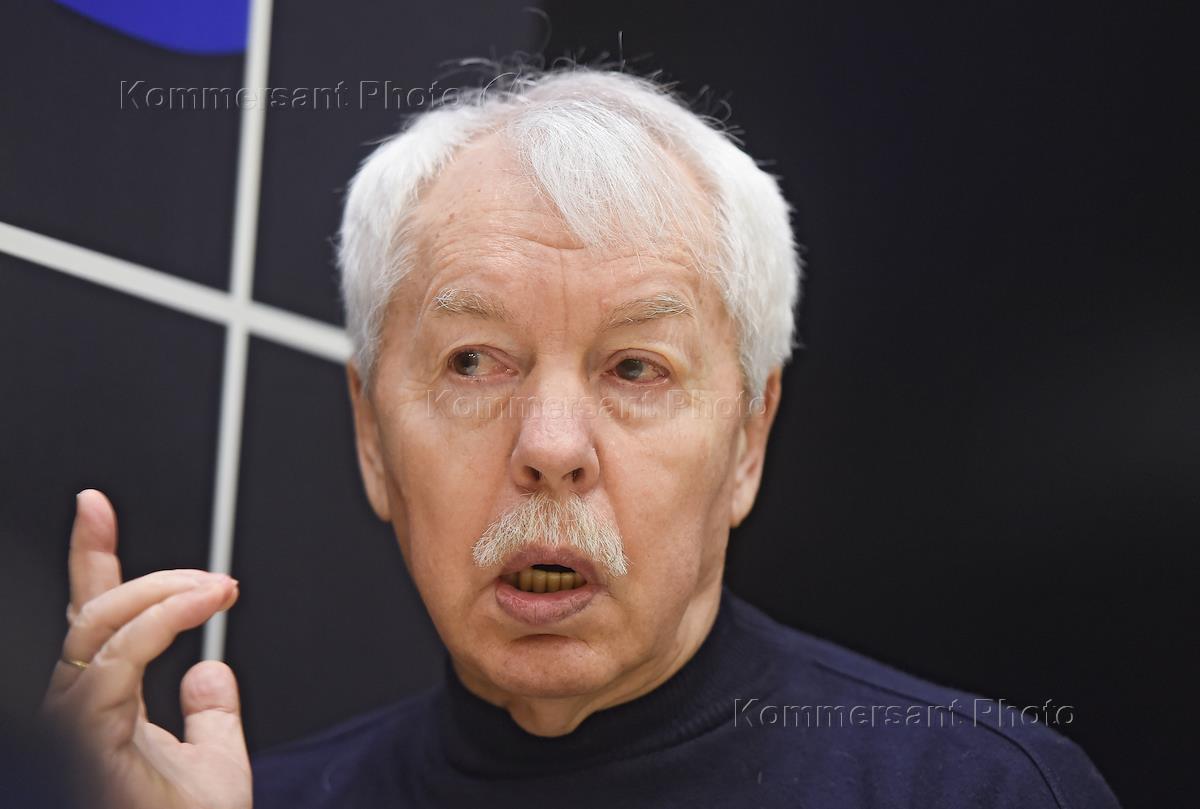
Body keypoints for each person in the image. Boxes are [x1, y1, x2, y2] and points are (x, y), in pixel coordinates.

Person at [40, 66, 1120, 808]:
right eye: (474, 362)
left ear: (748, 439)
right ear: (371, 434)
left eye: (635, 368)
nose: (552, 447)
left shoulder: (977, 789)